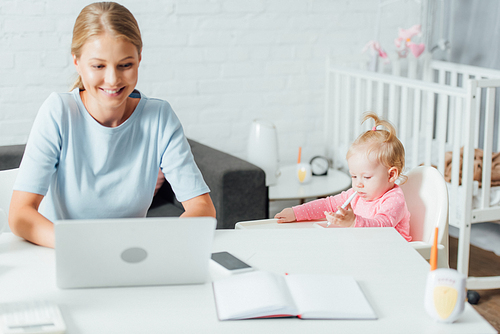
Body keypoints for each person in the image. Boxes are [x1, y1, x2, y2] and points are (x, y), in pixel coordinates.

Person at [9, 2, 216, 248]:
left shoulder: (159, 117)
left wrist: (158, 244)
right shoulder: (59, 112)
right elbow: (20, 215)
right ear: (76, 62)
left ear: (139, 58)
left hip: (132, 258)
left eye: (125, 65)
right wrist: (82, 246)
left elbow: (202, 207)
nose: (113, 79)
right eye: (98, 66)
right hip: (63, 255)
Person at [274, 112, 411, 241]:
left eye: (367, 177)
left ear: (391, 174)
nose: (358, 183)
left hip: (392, 255)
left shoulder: (394, 200)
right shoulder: (356, 194)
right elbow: (328, 204)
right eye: (354, 176)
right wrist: (296, 213)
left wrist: (353, 222)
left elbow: (382, 226)